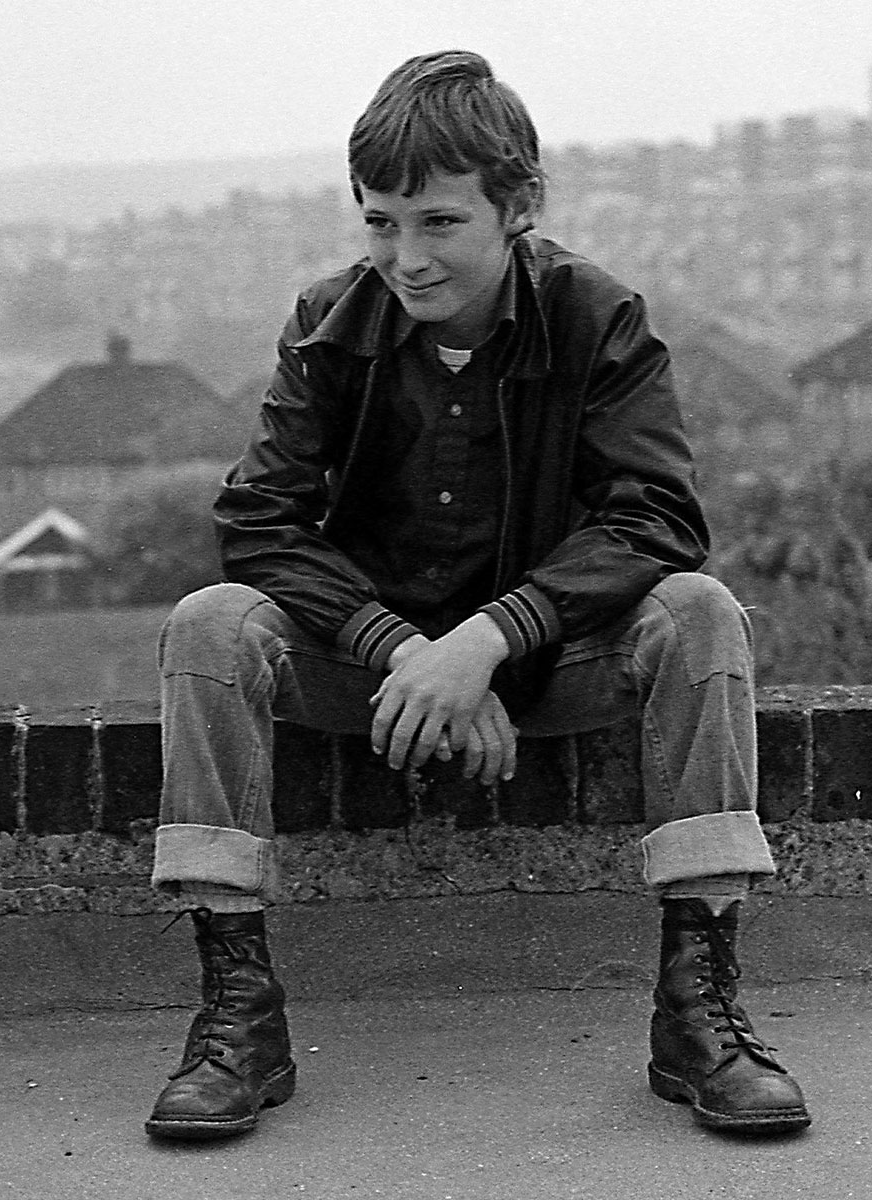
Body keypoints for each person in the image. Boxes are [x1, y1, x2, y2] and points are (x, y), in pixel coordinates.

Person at [142, 51, 811, 1141]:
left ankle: (698, 1011)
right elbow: (257, 522)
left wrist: (493, 640)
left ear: (520, 207)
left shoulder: (598, 317)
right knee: (208, 627)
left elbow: (656, 516)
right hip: (380, 673)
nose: (405, 258)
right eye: (380, 223)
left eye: (440, 223)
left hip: (552, 663)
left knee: (700, 611)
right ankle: (239, 1020)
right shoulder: (329, 324)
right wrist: (411, 652)